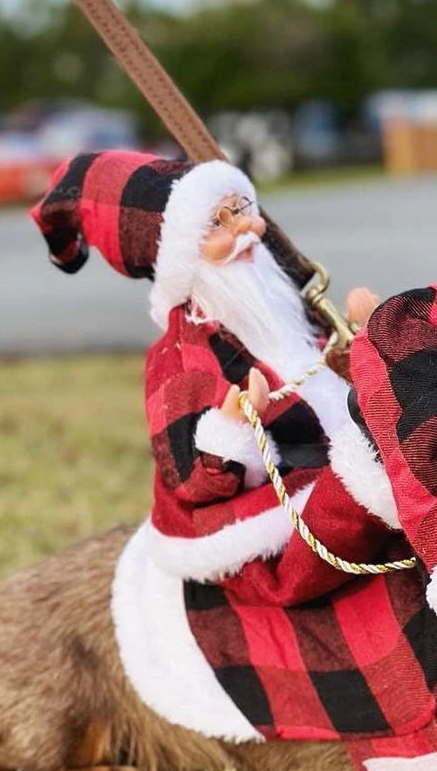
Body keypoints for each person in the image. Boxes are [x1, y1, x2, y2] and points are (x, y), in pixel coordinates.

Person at [31, 150, 379, 584]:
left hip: (348, 476)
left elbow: (323, 379)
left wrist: (364, 343)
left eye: (242, 210)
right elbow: (186, 476)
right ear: (179, 254)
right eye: (219, 223)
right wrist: (231, 431)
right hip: (282, 524)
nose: (247, 230)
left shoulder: (280, 304)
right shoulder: (181, 358)